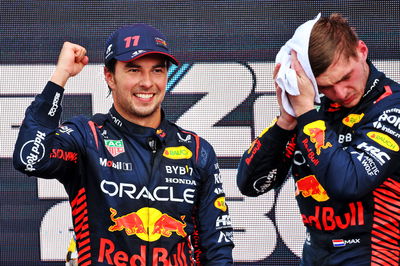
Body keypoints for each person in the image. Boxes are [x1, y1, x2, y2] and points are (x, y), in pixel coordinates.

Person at [13, 23, 234, 265]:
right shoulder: (87, 137)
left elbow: (216, 248)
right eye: (134, 70)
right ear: (110, 77)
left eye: (157, 70)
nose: (147, 83)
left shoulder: (197, 150)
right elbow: (30, 159)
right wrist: (60, 77)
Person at [237, 13, 400, 265]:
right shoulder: (314, 114)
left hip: (373, 257)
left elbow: (349, 182)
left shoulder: (392, 106)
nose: (340, 92)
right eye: (325, 87)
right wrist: (287, 121)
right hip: (315, 256)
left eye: (346, 77)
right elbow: (251, 184)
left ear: (362, 51)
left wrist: (305, 115)